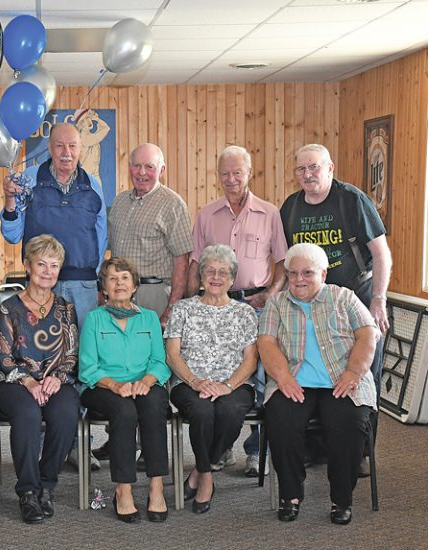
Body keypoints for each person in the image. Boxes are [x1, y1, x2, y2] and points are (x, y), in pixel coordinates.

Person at [280, 145, 391, 474]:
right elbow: (285, 260)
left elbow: (381, 253)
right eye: (301, 169)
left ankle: (360, 452)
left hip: (356, 298)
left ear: (329, 168)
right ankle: (318, 448)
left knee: (363, 374)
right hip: (311, 304)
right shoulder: (291, 207)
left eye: (314, 167)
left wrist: (379, 300)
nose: (307, 174)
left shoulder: (351, 200)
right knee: (315, 372)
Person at [258, 243, 378, 525]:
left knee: (348, 423)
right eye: (293, 273)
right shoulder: (277, 303)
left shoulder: (344, 297)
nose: (299, 279)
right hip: (293, 380)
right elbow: (266, 343)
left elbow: (368, 335)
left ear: (323, 274)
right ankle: (290, 495)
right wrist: (283, 377)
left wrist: (354, 372)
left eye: (307, 273)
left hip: (342, 379)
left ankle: (341, 499)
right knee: (281, 419)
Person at [187, 145, 288, 476]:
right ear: (218, 176)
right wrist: (189, 302)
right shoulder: (206, 215)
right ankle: (224, 445)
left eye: (237, 172)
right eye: (225, 173)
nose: (231, 179)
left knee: (258, 380)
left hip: (256, 306)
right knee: (220, 376)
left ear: (249, 173)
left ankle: (256, 450)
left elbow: (282, 262)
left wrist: (270, 295)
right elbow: (194, 264)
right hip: (215, 307)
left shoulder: (269, 213)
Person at [0, 235, 80, 524]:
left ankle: (46, 485)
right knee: (28, 413)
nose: (47, 271)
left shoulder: (66, 308)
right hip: (14, 382)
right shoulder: (9, 307)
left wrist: (57, 377)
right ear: (27, 266)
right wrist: (28, 381)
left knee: (66, 411)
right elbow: (3, 355)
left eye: (54, 265)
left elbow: (72, 353)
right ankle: (28, 492)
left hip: (56, 381)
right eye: (41, 264)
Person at [166, 245, 258, 513]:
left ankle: (199, 471)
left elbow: (250, 359)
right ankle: (206, 477)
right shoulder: (182, 309)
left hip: (235, 384)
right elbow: (172, 355)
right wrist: (195, 381)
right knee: (202, 411)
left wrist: (227, 386)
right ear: (201, 276)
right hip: (188, 383)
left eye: (223, 272)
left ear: (232, 279)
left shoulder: (244, 313)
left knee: (230, 410)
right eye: (210, 271)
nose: (216, 277)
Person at [79, 258, 170, 523]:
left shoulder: (149, 318)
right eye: (112, 279)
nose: (119, 283)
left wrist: (147, 381)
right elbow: (87, 367)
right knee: (124, 410)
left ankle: (156, 486)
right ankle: (123, 489)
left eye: (125, 278)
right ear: (104, 288)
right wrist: (115, 385)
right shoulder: (94, 319)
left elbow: (160, 362)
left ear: (134, 286)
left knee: (153, 405)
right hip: (103, 387)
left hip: (144, 384)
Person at [1, 122, 107, 328]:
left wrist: (94, 278)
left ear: (80, 148)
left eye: (72, 146)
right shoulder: (28, 179)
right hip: (40, 283)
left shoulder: (94, 185)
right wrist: (9, 199)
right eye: (59, 145)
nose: (67, 152)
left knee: (83, 344)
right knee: (41, 342)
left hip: (83, 286)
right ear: (49, 148)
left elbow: (101, 235)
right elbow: (12, 235)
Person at [109, 143, 192, 325]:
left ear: (162, 170)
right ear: (129, 167)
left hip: (153, 295)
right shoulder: (119, 202)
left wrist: (170, 311)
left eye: (149, 166)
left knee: (153, 344)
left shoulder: (173, 204)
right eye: (137, 165)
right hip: (119, 293)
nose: (142, 172)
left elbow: (182, 263)